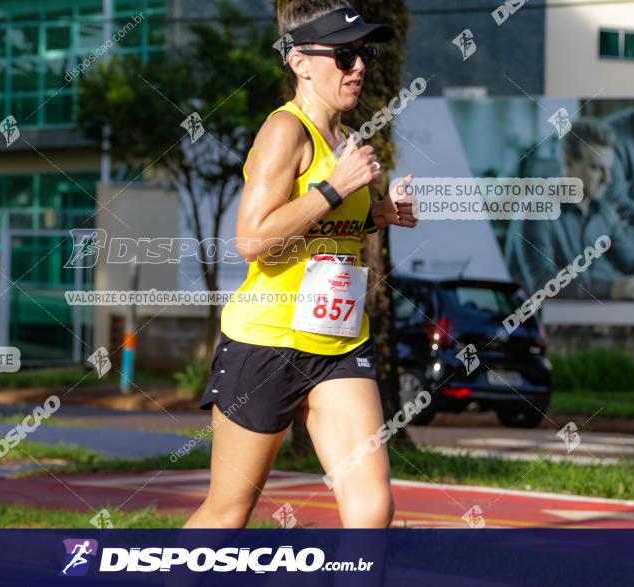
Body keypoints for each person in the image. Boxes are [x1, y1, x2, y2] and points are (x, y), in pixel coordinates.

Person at [184, 0, 418, 530]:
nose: (358, 66)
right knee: (228, 513)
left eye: (365, 53)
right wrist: (336, 187)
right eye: (343, 55)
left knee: (372, 507)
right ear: (300, 61)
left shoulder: (345, 141)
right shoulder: (284, 133)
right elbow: (252, 239)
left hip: (337, 344)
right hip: (268, 343)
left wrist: (378, 215)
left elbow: (323, 234)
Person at [506, 118, 634, 299]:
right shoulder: (535, 210)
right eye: (596, 168)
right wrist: (612, 288)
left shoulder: (605, 214)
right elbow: (542, 283)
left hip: (585, 318)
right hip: (537, 322)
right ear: (568, 164)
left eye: (609, 169)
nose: (607, 180)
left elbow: (632, 263)